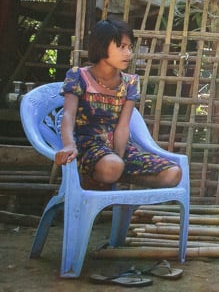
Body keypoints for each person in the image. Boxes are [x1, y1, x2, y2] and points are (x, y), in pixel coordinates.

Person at [55, 19, 182, 189]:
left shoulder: (130, 82)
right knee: (112, 165)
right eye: (121, 47)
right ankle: (100, 175)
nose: (128, 53)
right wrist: (69, 145)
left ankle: (114, 175)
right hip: (88, 148)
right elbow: (68, 115)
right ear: (102, 46)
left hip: (117, 151)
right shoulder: (79, 76)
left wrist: (120, 157)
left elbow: (123, 126)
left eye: (130, 47)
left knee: (173, 173)